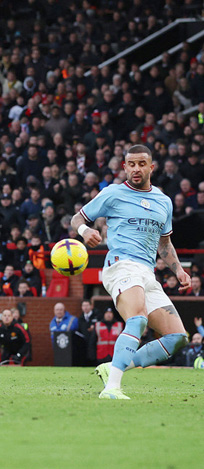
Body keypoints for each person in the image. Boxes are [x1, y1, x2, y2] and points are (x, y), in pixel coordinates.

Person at [72, 145, 190, 399]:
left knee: (178, 337)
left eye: (141, 164)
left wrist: (179, 270)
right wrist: (86, 232)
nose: (136, 169)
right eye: (131, 164)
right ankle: (112, 388)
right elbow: (77, 219)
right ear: (124, 167)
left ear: (151, 167)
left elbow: (164, 243)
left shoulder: (163, 201)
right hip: (121, 265)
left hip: (147, 272)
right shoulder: (113, 193)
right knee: (137, 319)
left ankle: (113, 367)